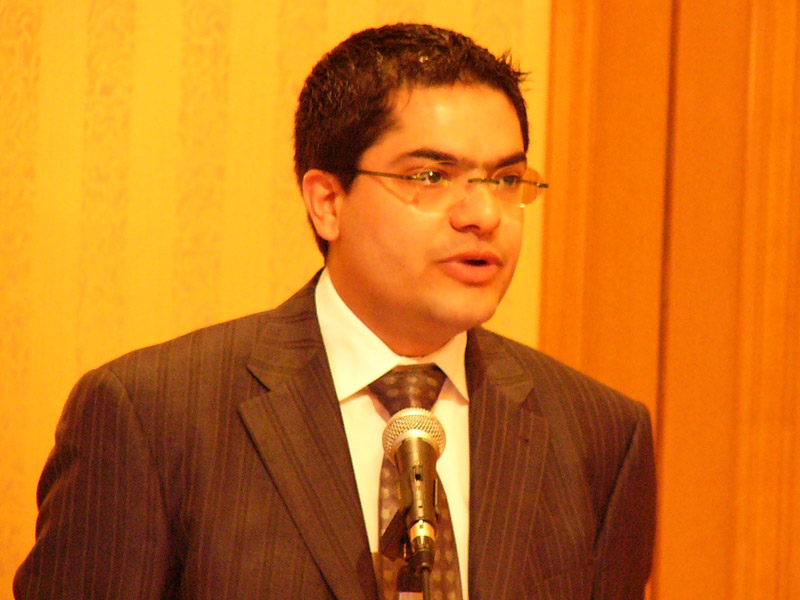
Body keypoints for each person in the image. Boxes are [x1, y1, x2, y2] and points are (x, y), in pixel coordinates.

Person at [14, 23, 655, 600]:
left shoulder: (599, 436)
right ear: (327, 202)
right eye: (431, 177)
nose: (484, 215)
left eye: (506, 180)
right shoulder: (153, 419)